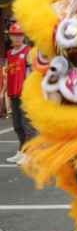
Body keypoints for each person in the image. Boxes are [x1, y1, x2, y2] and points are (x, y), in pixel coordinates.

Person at [3, 21, 35, 164]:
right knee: (17, 125)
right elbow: (8, 74)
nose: (17, 38)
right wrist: (3, 91)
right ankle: (22, 151)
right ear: (10, 36)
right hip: (13, 93)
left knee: (27, 125)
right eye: (14, 35)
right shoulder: (9, 53)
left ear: (24, 37)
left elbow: (34, 73)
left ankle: (30, 154)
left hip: (25, 94)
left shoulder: (28, 52)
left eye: (20, 35)